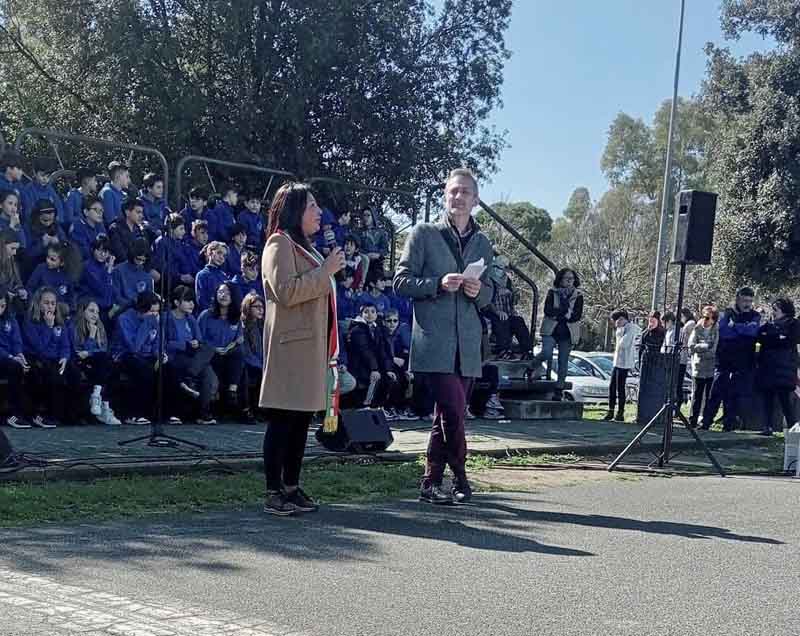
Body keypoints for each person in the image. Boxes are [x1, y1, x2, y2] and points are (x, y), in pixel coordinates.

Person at [394, 168, 493, 505]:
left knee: (446, 414)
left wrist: (478, 289)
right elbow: (401, 281)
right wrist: (437, 283)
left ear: (475, 199)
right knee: (453, 410)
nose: (458, 197)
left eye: (465, 192)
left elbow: (490, 294)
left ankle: (430, 482)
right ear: (445, 195)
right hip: (434, 342)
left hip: (467, 345)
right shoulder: (423, 233)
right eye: (452, 191)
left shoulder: (483, 242)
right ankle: (462, 477)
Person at [260, 182, 345, 516]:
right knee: (282, 420)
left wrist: (324, 269)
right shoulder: (278, 244)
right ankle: (273, 491)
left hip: (310, 350)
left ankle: (291, 487)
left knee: (299, 422)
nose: (318, 212)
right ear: (295, 210)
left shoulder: (304, 247)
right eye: (312, 206)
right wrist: (325, 271)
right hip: (290, 349)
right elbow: (285, 291)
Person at [110, 291, 174, 425]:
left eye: (157, 311)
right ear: (140, 309)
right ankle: (134, 414)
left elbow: (157, 343)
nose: (155, 314)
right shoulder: (124, 319)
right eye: (151, 311)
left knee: (168, 368)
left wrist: (160, 354)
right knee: (143, 370)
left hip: (147, 355)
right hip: (124, 355)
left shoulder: (156, 318)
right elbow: (134, 347)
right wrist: (146, 324)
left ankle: (164, 414)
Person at [702, 287, 761, 431]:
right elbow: (724, 331)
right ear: (738, 299)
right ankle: (706, 423)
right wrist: (742, 329)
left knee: (734, 395)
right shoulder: (728, 313)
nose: (747, 304)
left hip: (743, 361)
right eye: (744, 300)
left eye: (749, 301)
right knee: (716, 392)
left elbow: (753, 331)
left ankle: (729, 424)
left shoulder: (755, 316)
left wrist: (734, 326)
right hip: (724, 360)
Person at [22, 286, 79, 428]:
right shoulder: (30, 321)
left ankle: (70, 414)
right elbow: (39, 348)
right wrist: (48, 327)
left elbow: (65, 345)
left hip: (56, 358)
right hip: (37, 358)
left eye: (53, 303)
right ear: (38, 303)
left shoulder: (59, 321)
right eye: (46, 303)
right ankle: (45, 415)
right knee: (53, 376)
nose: (50, 306)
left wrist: (65, 358)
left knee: (75, 373)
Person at [166, 285, 217, 425]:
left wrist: (196, 344)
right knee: (206, 370)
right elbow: (165, 343)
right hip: (175, 356)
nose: (192, 304)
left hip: (192, 356)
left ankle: (190, 375)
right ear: (176, 302)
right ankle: (204, 413)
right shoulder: (167, 318)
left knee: (209, 351)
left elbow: (199, 340)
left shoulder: (191, 318)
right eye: (187, 300)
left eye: (192, 301)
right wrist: (186, 344)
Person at [71, 298, 121, 426]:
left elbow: (103, 349)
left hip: (96, 362)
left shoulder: (100, 326)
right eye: (91, 311)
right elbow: (78, 353)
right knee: (104, 363)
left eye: (97, 312)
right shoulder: (74, 326)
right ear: (83, 311)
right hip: (78, 362)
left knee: (109, 363)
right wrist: (92, 336)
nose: (95, 315)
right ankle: (100, 402)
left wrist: (89, 352)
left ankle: (100, 400)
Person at [347, 302, 403, 417]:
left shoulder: (377, 329)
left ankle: (379, 408)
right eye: (366, 312)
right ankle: (367, 406)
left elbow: (383, 351)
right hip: (360, 366)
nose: (370, 315)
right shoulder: (357, 330)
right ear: (361, 314)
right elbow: (365, 352)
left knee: (392, 376)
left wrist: (388, 369)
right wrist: (374, 369)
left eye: (373, 312)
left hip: (375, 364)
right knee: (375, 377)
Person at [198, 282, 246, 414]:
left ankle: (233, 391)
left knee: (239, 353)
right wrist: (214, 348)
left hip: (228, 353)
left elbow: (238, 339)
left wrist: (228, 348)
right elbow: (199, 339)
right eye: (220, 292)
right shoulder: (206, 315)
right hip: (209, 354)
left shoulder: (237, 318)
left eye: (227, 293)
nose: (223, 295)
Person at [756, 297, 800, 436]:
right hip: (768, 368)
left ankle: (793, 429)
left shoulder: (794, 324)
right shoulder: (769, 325)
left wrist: (773, 338)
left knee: (785, 400)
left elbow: (789, 340)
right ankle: (767, 426)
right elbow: (761, 336)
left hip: (784, 369)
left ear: (785, 310)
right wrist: (777, 337)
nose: (773, 312)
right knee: (767, 398)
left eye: (776, 310)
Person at [531, 268, 583, 384]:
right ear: (560, 279)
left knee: (563, 361)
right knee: (546, 352)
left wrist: (561, 313)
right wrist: (565, 312)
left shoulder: (578, 295)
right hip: (551, 330)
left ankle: (559, 388)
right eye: (566, 278)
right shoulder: (553, 292)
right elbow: (548, 311)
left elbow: (577, 316)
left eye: (572, 278)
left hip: (568, 333)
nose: (569, 281)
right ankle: (532, 366)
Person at [486, 256, 533, 361]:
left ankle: (527, 350)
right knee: (502, 320)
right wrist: (497, 312)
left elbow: (512, 302)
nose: (501, 271)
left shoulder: (507, 281)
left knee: (518, 321)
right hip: (491, 312)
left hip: (507, 312)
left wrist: (514, 294)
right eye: (498, 267)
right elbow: (486, 300)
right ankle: (504, 350)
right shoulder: (487, 279)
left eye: (503, 268)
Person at [0, 286, 30, 428]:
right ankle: (13, 415)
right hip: (4, 358)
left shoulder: (10, 318)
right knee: (14, 367)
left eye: (2, 306)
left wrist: (20, 354)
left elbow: (17, 340)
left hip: (11, 358)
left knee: (31, 367)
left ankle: (33, 413)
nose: (0, 309)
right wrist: (12, 357)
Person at [604, 309, 641, 422]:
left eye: (618, 320)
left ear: (623, 319)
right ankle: (610, 410)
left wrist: (620, 333)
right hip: (617, 362)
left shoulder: (631, 329)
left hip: (625, 363)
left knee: (620, 388)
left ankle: (620, 412)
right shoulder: (621, 329)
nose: (616, 323)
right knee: (612, 386)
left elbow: (623, 344)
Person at [687, 305, 719, 429]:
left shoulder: (716, 330)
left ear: (713, 319)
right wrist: (705, 346)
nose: (704, 320)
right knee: (696, 394)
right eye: (703, 317)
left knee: (708, 395)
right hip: (697, 367)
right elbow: (691, 345)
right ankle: (692, 420)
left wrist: (700, 348)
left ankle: (705, 421)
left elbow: (713, 350)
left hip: (710, 368)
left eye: (707, 318)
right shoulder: (697, 328)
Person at [77, 235, 116, 326]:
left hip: (104, 306)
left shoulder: (105, 266)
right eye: (99, 250)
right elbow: (102, 290)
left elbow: (113, 292)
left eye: (106, 252)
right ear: (93, 249)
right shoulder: (87, 267)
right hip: (89, 305)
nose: (103, 255)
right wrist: (109, 271)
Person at [152, 213, 195, 290]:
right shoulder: (161, 242)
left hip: (181, 282)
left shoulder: (179, 243)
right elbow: (161, 265)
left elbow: (184, 262)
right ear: (171, 229)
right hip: (168, 283)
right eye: (181, 229)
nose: (184, 232)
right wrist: (180, 277)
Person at [112, 238, 154, 316]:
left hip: (142, 313)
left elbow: (149, 298)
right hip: (123, 311)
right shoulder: (118, 270)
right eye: (138, 259)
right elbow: (116, 296)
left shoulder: (146, 275)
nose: (140, 262)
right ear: (132, 254)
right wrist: (131, 303)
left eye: (143, 260)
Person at [27, 244, 74, 312]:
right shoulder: (41, 268)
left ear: (62, 263)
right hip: (40, 309)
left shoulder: (67, 275)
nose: (48, 261)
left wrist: (69, 309)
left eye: (53, 259)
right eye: (48, 257)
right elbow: (30, 288)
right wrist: (35, 303)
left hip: (59, 312)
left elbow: (71, 297)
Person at [240, 291, 265, 415]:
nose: (261, 310)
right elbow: (246, 352)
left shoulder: (263, 325)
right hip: (249, 364)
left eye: (262, 307)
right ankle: (250, 410)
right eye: (257, 307)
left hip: (262, 363)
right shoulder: (243, 326)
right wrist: (261, 366)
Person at [21, 159, 66, 227]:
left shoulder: (50, 189)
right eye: (42, 176)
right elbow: (28, 214)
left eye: (48, 176)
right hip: (35, 227)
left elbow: (59, 207)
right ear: (34, 173)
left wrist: (57, 221)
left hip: (53, 225)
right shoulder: (27, 191)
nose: (45, 179)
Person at [108, 198, 148, 264]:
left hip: (138, 266)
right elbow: (120, 255)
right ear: (127, 212)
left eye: (142, 212)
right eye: (138, 212)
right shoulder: (115, 229)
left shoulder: (141, 230)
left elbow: (146, 253)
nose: (141, 215)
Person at [69, 194, 107, 261]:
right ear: (86, 212)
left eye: (101, 210)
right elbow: (83, 252)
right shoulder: (77, 227)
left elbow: (106, 245)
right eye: (96, 210)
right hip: (83, 265)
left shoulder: (100, 225)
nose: (100, 213)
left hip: (99, 262)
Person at [195, 241, 229, 312]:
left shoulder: (224, 276)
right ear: (210, 252)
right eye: (219, 253)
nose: (221, 257)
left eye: (224, 255)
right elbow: (201, 301)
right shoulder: (202, 275)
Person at [0, 228, 28, 315]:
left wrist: (21, 290)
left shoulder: (11, 261)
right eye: (12, 248)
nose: (15, 253)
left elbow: (17, 282)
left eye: (16, 249)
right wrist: (5, 293)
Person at [64, 168, 98, 234]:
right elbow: (68, 218)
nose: (96, 183)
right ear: (87, 181)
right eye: (94, 180)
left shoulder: (93, 197)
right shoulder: (73, 196)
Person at [360, 207, 389, 284]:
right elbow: (357, 247)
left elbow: (385, 250)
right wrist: (366, 255)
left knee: (377, 277)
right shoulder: (359, 232)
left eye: (368, 215)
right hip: (362, 262)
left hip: (377, 263)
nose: (365, 218)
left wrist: (378, 255)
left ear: (373, 216)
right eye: (364, 215)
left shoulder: (381, 233)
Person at [99, 161, 130, 225]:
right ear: (118, 176)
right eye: (127, 176)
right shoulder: (107, 193)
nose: (129, 180)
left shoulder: (124, 194)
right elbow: (111, 220)